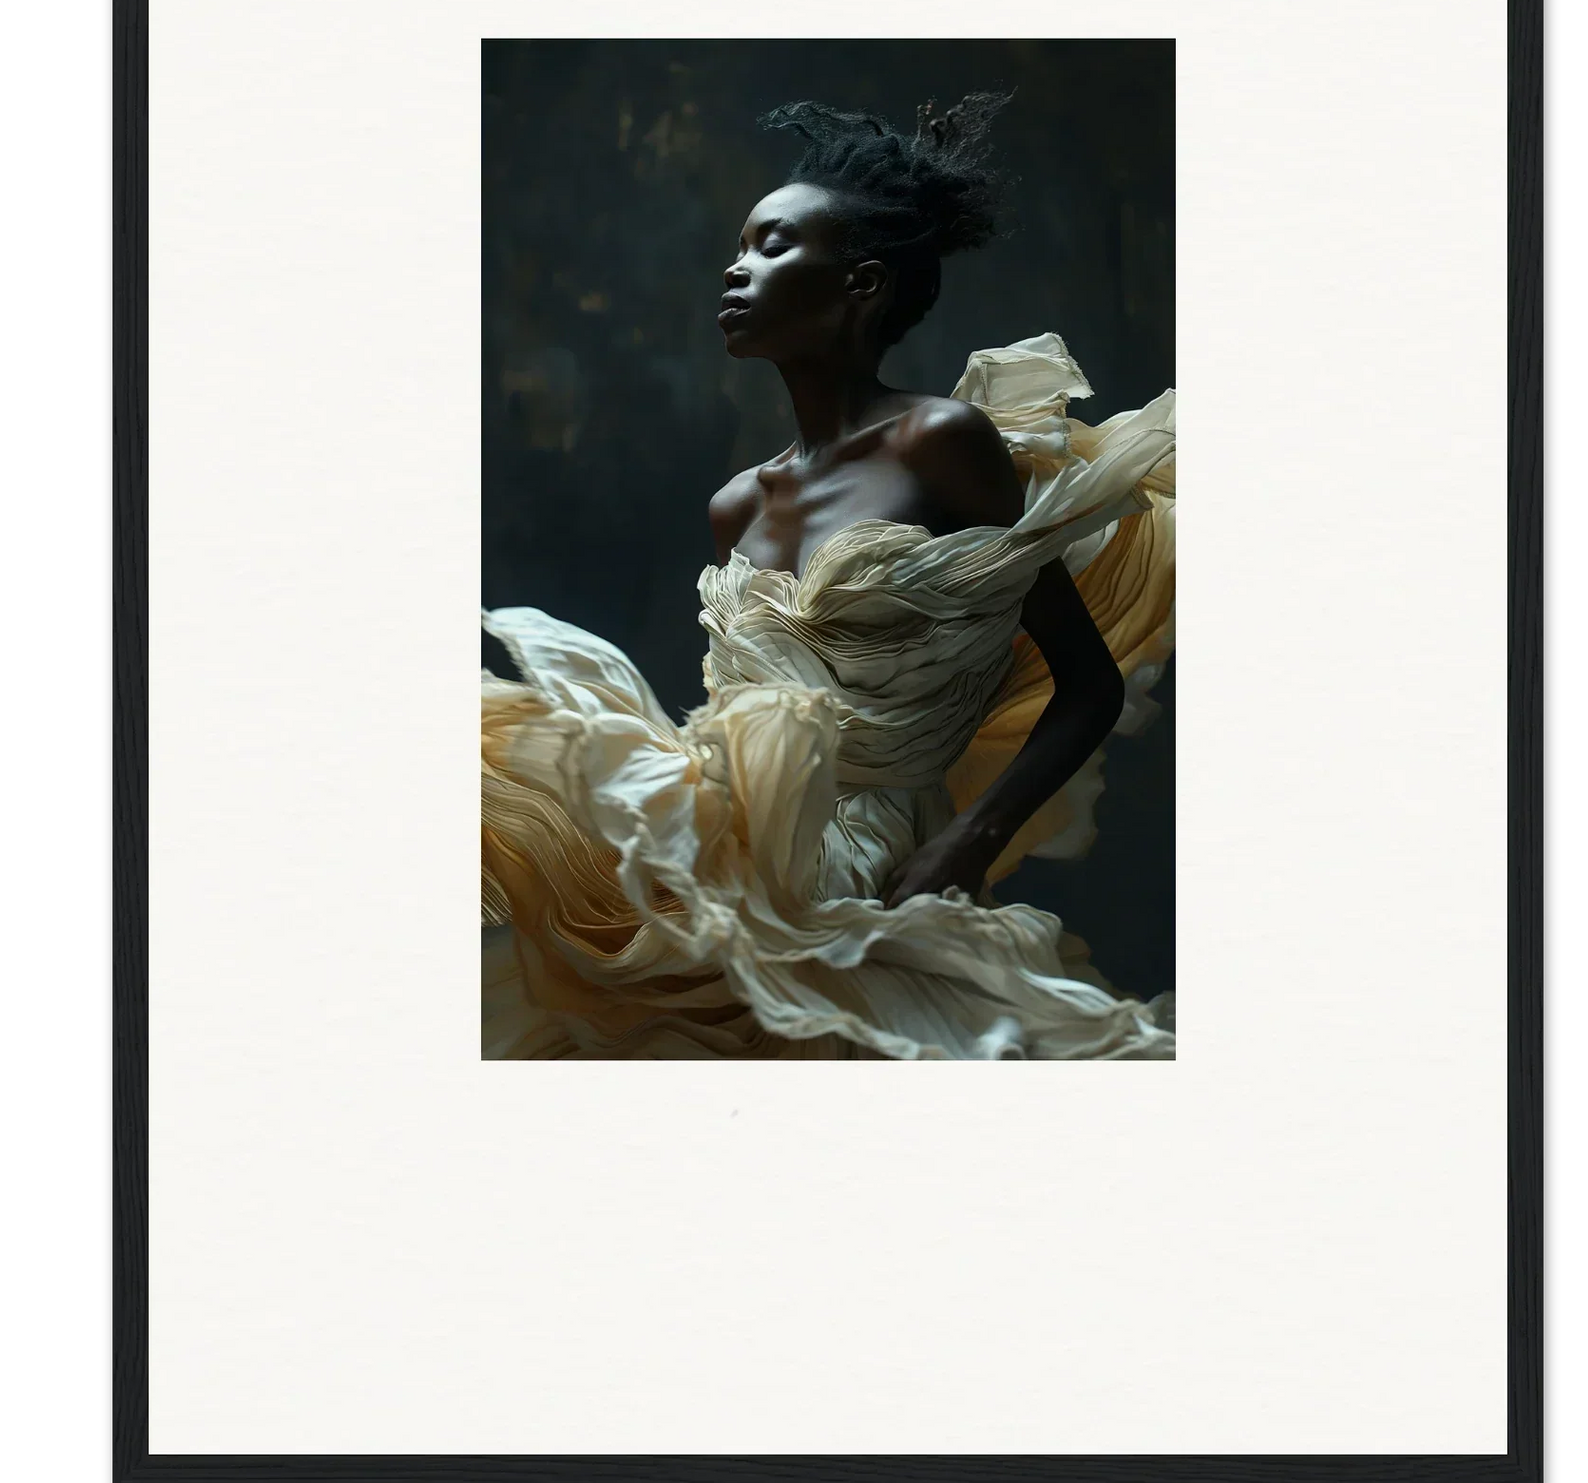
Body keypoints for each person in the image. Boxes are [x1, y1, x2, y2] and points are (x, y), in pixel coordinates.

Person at [481, 93, 1176, 1059]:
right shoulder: (737, 503)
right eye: (738, 247)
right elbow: (749, 713)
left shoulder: (941, 442)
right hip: (723, 855)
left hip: (881, 866)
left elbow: (1088, 684)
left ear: (861, 283)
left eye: (771, 246)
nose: (737, 267)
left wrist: (967, 843)